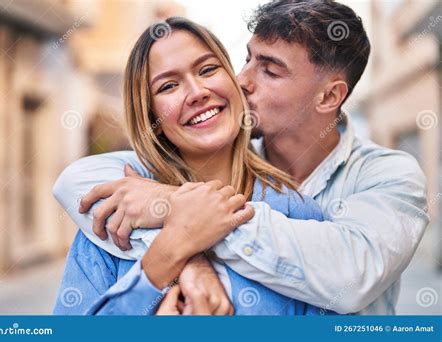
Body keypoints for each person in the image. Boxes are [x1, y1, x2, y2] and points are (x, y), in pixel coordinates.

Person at [55, 0, 428, 315]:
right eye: (246, 59)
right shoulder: (122, 208)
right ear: (150, 112)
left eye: (269, 70)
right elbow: (75, 181)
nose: (242, 79)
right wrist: (173, 255)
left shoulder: (317, 207)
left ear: (329, 97)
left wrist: (182, 214)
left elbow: (348, 275)